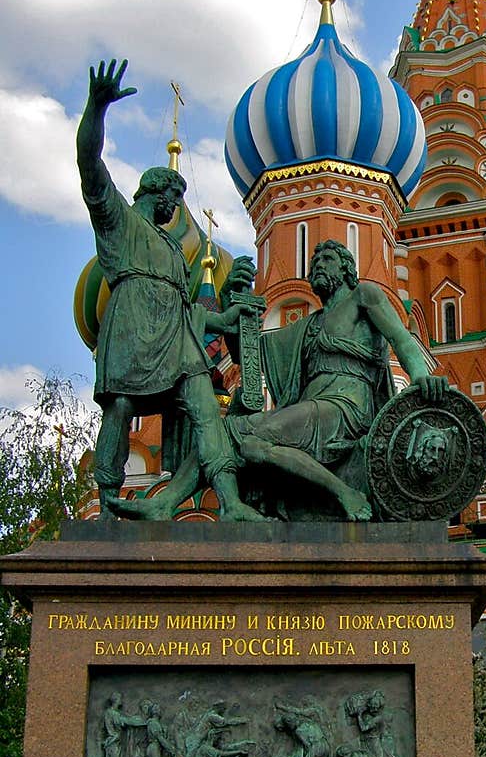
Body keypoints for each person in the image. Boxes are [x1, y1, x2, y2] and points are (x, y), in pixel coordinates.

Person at [112, 239, 449, 521]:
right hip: (314, 405)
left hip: (347, 407)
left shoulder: (364, 296)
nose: (317, 265)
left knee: (249, 437)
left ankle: (345, 493)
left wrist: (422, 377)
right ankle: (166, 503)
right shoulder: (310, 324)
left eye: (327, 259)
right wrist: (232, 298)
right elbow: (250, 356)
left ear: (346, 268)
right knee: (224, 429)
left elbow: (401, 339)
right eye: (314, 260)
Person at [76, 57, 263, 522]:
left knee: (205, 410)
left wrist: (231, 317)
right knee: (120, 408)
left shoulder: (174, 253)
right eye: (173, 198)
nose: (177, 206)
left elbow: (194, 318)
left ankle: (232, 503)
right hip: (132, 329)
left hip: (176, 340)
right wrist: (96, 110)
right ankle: (107, 505)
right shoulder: (120, 224)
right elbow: (89, 165)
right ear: (156, 194)